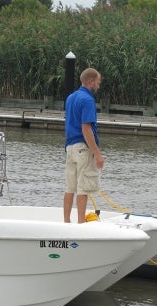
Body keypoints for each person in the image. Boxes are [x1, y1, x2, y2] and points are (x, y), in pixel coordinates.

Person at [63, 68, 104, 224]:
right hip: (82, 148)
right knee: (83, 188)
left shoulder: (71, 97)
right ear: (91, 81)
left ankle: (66, 221)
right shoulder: (87, 100)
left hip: (70, 147)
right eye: (98, 83)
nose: (98, 87)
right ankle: (81, 224)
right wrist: (98, 154)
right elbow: (86, 128)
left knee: (70, 187)